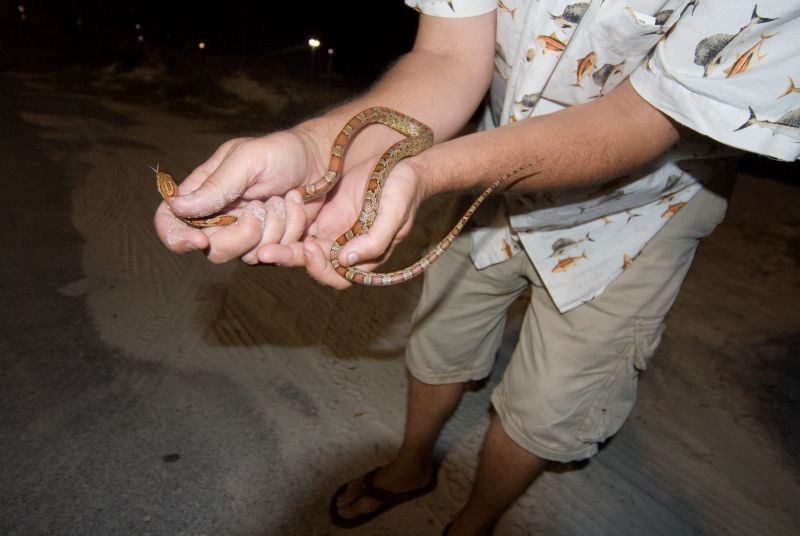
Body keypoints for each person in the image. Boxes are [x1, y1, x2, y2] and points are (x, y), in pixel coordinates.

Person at [155, 1, 799, 534]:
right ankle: (412, 466)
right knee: (441, 340)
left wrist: (420, 173)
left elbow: (641, 118)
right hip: (482, 174)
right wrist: (314, 145)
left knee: (549, 406)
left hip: (644, 209)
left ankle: (478, 520)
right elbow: (446, 56)